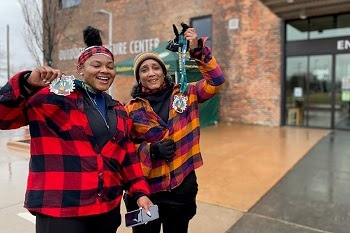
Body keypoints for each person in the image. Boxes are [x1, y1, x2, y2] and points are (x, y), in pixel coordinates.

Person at [0, 26, 153, 233]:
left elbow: (127, 157)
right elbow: (3, 117)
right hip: (62, 211)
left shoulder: (118, 110)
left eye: (110, 66)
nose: (104, 71)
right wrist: (27, 84)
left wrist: (140, 192)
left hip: (106, 211)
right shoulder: (52, 98)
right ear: (80, 68)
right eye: (96, 65)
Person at [124, 24, 225, 233]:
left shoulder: (186, 93)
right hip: (145, 194)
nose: (151, 73)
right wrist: (150, 151)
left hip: (181, 188)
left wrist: (197, 50)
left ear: (163, 71)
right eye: (144, 70)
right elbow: (123, 151)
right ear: (138, 77)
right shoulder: (130, 109)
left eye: (155, 68)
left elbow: (216, 81)